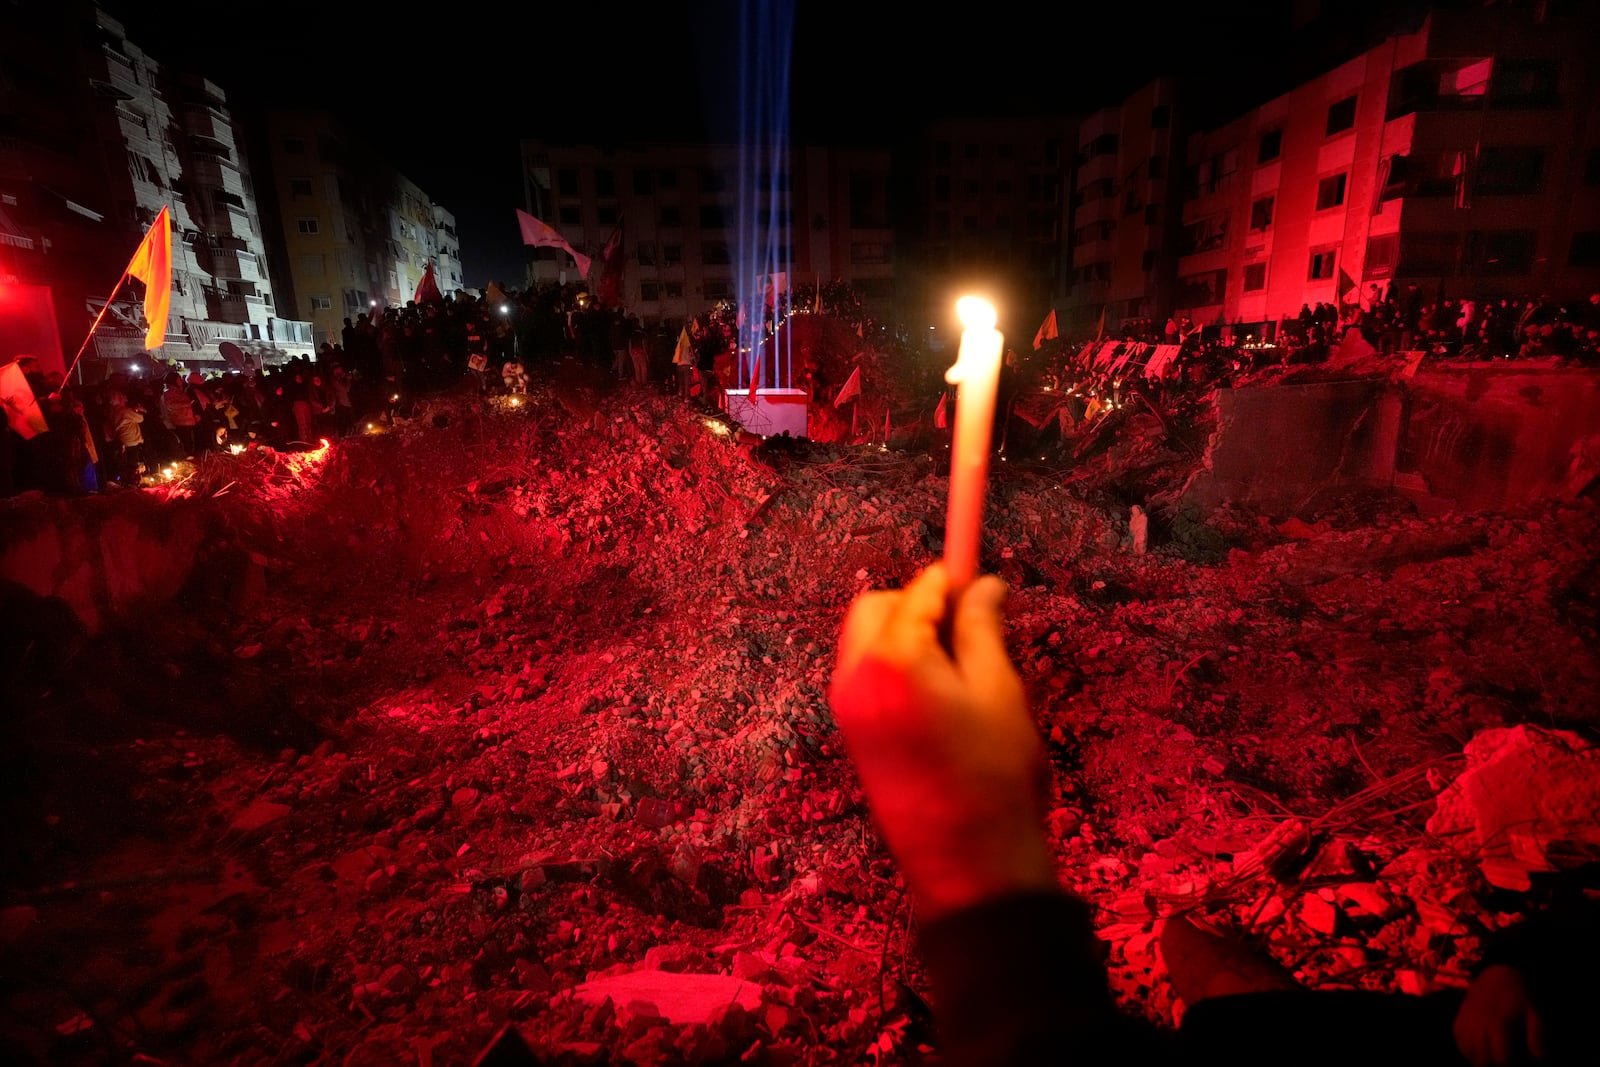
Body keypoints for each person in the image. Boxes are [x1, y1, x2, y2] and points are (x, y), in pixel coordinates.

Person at [829, 563, 1594, 1067]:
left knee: (1215, 997)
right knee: (1217, 988)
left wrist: (975, 863)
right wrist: (1523, 960)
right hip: (1441, 1022)